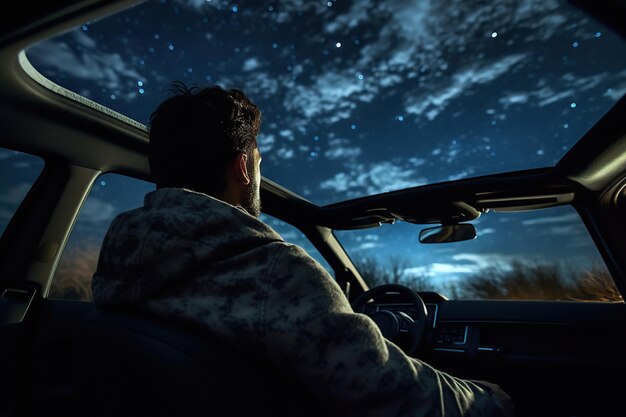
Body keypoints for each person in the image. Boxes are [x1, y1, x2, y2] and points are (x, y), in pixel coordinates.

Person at [91, 81, 514, 416]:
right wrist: (485, 400)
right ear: (243, 166)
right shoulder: (274, 273)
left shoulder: (117, 267)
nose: (257, 170)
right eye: (258, 161)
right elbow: (387, 390)